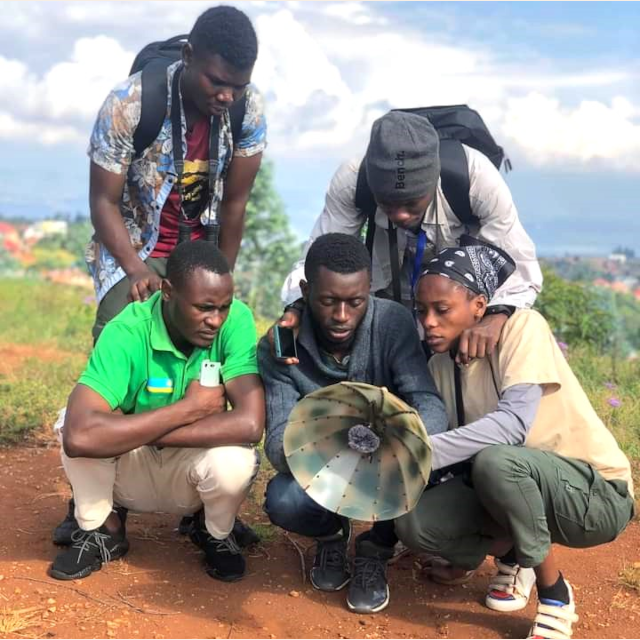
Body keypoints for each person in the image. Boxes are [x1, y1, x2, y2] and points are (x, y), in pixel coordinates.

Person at [54, 4, 266, 546]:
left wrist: (224, 282)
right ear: (189, 57)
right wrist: (133, 270)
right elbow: (102, 201)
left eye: (237, 87)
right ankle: (107, 501)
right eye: (217, 83)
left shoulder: (249, 111)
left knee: (213, 343)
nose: (227, 97)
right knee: (123, 327)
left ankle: (205, 493)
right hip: (135, 242)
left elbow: (237, 203)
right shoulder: (130, 104)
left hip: (203, 248)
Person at [394, 242, 634, 639]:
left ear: (479, 306)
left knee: (497, 460)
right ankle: (513, 555)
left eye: (442, 309)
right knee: (415, 521)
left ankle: (555, 595)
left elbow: (512, 428)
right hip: (517, 489)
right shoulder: (439, 366)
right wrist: (459, 557)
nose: (428, 323)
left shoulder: (523, 328)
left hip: (595, 496)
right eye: (421, 311)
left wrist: (420, 452)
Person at [49, 240, 265, 583]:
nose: (215, 320)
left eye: (223, 307)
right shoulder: (127, 330)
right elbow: (79, 436)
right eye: (204, 307)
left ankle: (214, 532)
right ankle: (102, 529)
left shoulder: (236, 321)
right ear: (167, 291)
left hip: (188, 466)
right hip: (132, 466)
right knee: (69, 422)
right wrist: (189, 409)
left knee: (236, 460)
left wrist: (138, 427)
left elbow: (251, 423)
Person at [259, 233, 449, 614]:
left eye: (355, 301)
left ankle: (375, 548)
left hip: (388, 461)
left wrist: (402, 446)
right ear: (306, 290)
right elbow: (279, 444)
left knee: (423, 480)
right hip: (323, 469)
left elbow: (428, 403)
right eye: (328, 301)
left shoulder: (393, 322)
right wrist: (342, 441)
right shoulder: (281, 345)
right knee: (283, 501)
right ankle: (331, 535)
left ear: (370, 291)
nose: (342, 315)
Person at [278, 111, 542, 364]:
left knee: (492, 339)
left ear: (432, 182)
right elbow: (321, 259)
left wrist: (495, 316)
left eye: (412, 204)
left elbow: (517, 264)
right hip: (388, 292)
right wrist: (296, 308)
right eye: (388, 204)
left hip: (456, 297)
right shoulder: (352, 180)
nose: (401, 215)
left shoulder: (475, 177)